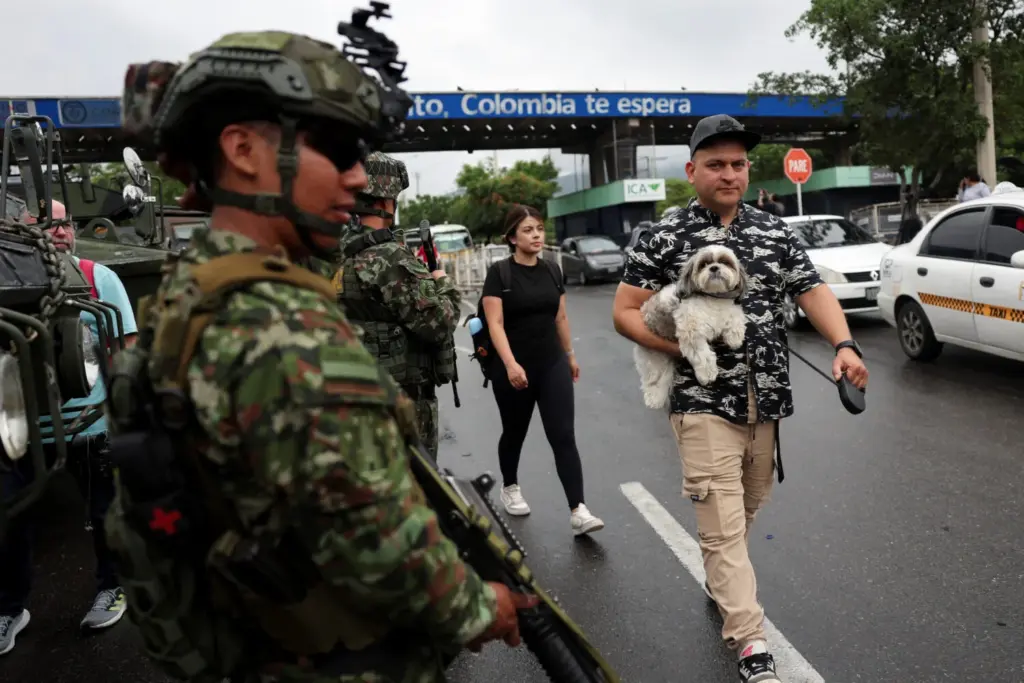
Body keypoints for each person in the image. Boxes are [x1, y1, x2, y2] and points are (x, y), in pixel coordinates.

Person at [107, 30, 531, 682]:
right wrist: (480, 606)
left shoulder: (194, 290)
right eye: (336, 149)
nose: (357, 178)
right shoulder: (281, 328)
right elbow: (378, 544)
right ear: (242, 150)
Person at [611, 114, 869, 683]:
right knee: (723, 524)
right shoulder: (665, 235)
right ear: (692, 170)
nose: (729, 174)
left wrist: (844, 344)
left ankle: (722, 578)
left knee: (749, 507)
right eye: (716, 164)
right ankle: (751, 643)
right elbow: (624, 312)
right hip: (702, 401)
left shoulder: (774, 230)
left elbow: (812, 290)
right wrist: (678, 351)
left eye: (738, 164)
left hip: (766, 399)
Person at [0, 200, 137, 655]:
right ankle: (9, 608)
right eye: (46, 224)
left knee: (105, 512)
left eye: (65, 223)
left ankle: (113, 586)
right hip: (17, 429)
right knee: (10, 520)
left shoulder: (98, 279)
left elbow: (125, 349)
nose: (59, 231)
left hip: (89, 425)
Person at [480, 205, 604, 536]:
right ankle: (510, 486)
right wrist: (510, 364)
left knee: (563, 434)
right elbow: (495, 323)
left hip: (551, 363)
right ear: (512, 238)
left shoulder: (552, 270)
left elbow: (560, 317)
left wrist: (570, 355)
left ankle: (578, 510)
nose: (536, 235)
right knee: (514, 432)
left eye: (539, 228)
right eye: (528, 230)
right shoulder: (499, 273)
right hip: (513, 367)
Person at [334, 151, 459, 463]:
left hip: (359, 398)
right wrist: (443, 282)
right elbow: (439, 323)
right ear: (386, 201)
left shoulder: (338, 251)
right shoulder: (389, 257)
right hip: (404, 403)